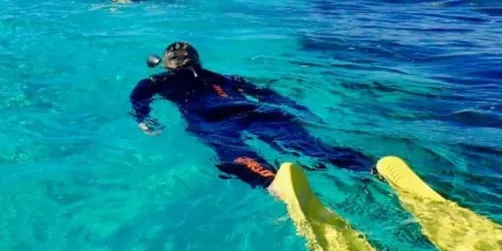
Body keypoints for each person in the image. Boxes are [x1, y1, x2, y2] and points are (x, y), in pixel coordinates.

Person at [130, 42, 372, 188]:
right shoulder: (226, 78)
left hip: (214, 123)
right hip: (261, 113)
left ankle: (273, 182)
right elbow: (266, 93)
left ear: (167, 63)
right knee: (315, 149)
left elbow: (141, 91)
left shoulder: (168, 79)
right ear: (198, 60)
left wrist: (142, 117)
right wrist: (300, 110)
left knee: (236, 155)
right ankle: (368, 167)